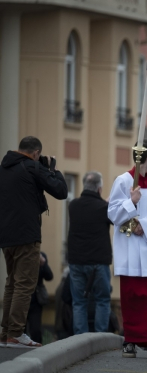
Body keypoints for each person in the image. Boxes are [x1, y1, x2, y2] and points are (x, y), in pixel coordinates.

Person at [0, 136, 68, 348]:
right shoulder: (31, 167)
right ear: (36, 153)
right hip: (27, 235)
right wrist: (53, 169)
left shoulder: (4, 168)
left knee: (12, 282)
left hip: (6, 236)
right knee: (25, 283)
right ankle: (16, 332)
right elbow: (61, 191)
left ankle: (6, 332)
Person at [108, 139, 147, 359]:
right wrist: (131, 202)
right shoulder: (123, 181)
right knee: (131, 296)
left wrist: (144, 226)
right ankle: (130, 341)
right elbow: (113, 214)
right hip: (129, 248)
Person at [67, 171, 113, 335]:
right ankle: (100, 337)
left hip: (76, 261)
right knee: (102, 299)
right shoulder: (103, 208)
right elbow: (111, 216)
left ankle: (80, 338)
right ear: (99, 189)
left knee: (79, 302)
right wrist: (106, 203)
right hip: (98, 262)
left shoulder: (72, 205)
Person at [26, 252, 53, 344]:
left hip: (35, 301)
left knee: (35, 331)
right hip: (21, 300)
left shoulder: (40, 256)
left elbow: (49, 276)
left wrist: (43, 263)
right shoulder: (21, 254)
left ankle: (36, 350)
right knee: (21, 331)